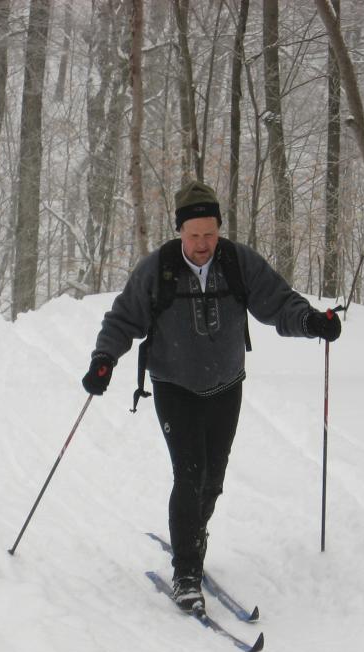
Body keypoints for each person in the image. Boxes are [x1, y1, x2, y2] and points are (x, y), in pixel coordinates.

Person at [81, 180, 342, 612]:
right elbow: (124, 318)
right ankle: (187, 570)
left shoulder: (238, 263)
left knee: (212, 480)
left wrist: (312, 323)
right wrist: (104, 359)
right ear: (180, 231)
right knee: (190, 472)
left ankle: (193, 533)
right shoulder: (158, 268)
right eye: (194, 235)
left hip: (225, 384)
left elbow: (278, 303)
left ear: (219, 229)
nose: (202, 244)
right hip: (174, 384)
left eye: (209, 233)